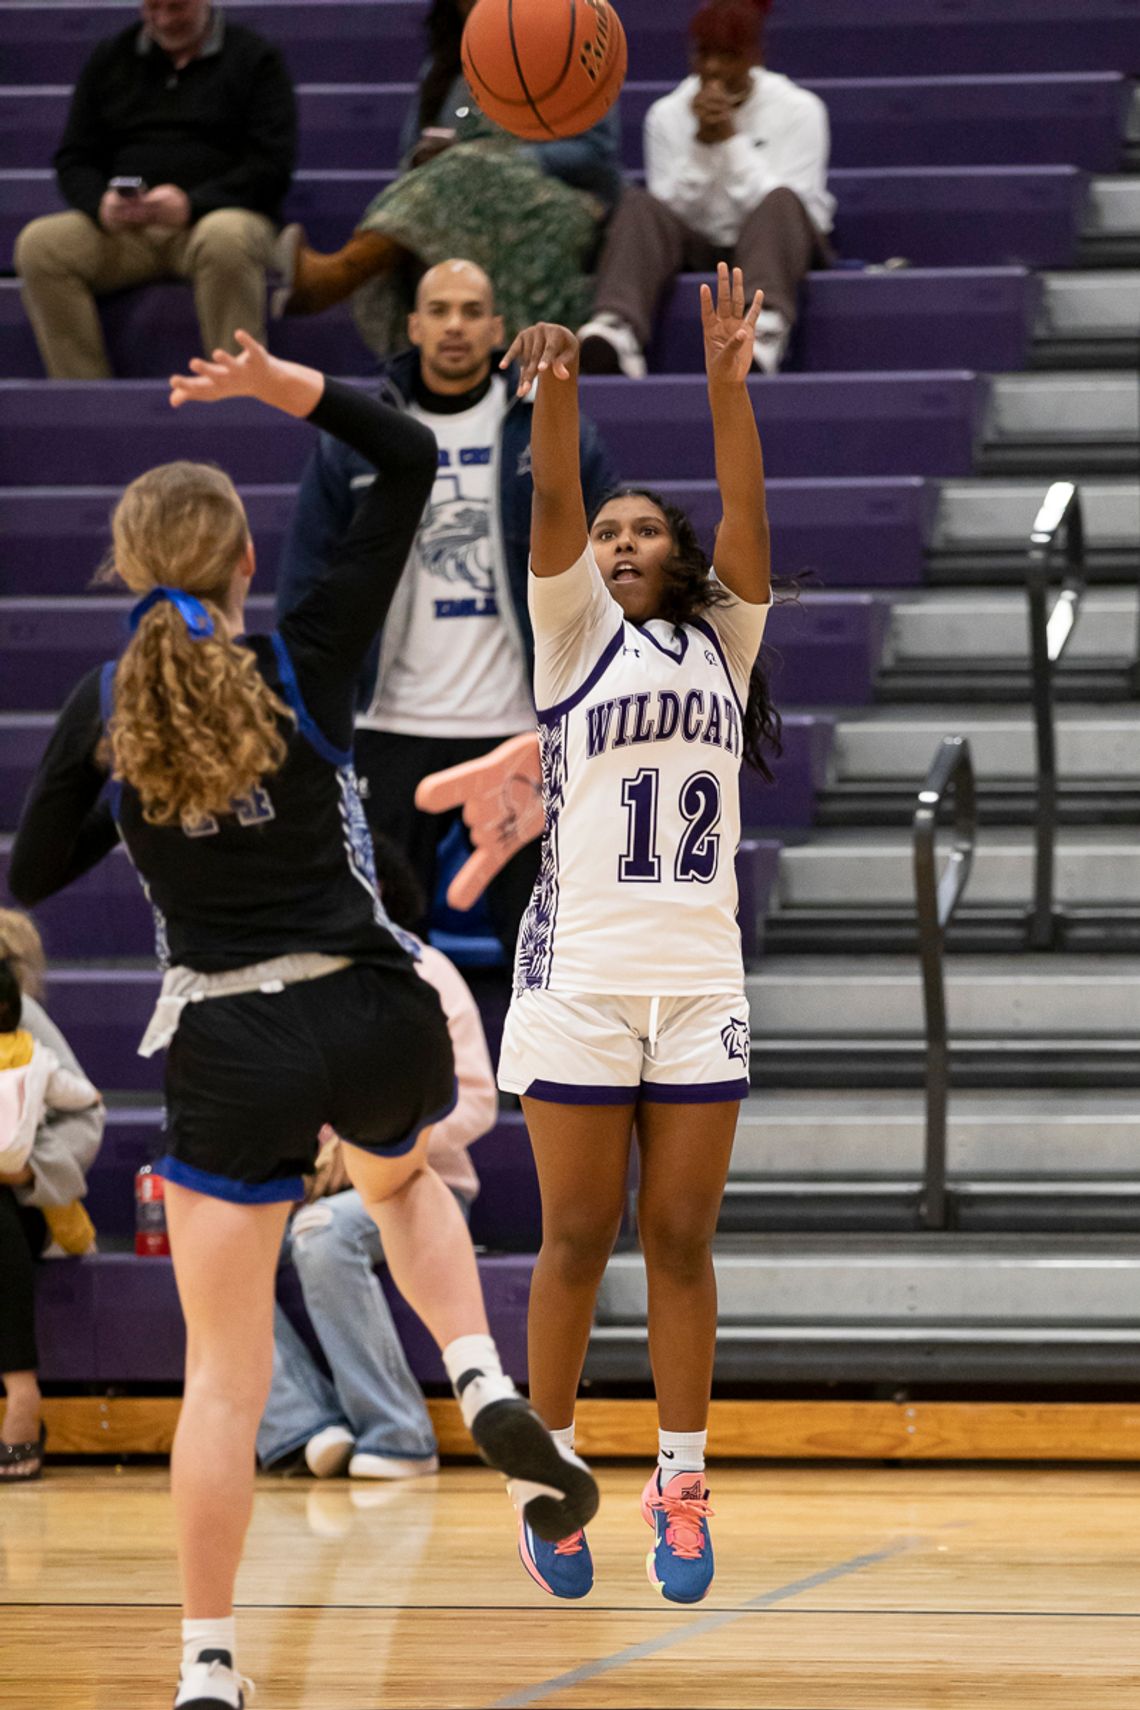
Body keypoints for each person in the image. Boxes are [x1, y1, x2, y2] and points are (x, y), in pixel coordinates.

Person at [7, 333, 596, 1709]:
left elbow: (33, 871)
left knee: (224, 1379)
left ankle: (209, 1666)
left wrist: (136, 787)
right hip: (374, 1006)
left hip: (229, 1036)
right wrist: (282, 386)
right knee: (397, 1184)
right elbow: (403, 456)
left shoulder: (108, 704)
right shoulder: (303, 661)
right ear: (238, 563)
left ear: (123, 564)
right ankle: (473, 1369)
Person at [495, 265, 779, 1605]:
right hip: (585, 974)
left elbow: (748, 509)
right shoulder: (570, 637)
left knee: (679, 1239)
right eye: (604, 532)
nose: (613, 542)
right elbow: (552, 501)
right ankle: (551, 1470)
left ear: (681, 557)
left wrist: (728, 384)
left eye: (638, 531)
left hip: (698, 976)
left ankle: (680, 1477)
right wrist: (559, 388)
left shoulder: (729, 638)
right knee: (575, 1233)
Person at [277, 256, 618, 957]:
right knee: (377, 941)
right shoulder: (358, 433)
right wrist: (309, 703)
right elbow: (308, 576)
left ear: (496, 327)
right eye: (439, 310)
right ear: (413, 325)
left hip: (520, 722)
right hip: (388, 720)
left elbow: (612, 554)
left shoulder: (543, 426)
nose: (455, 326)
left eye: (471, 311)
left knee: (546, 943)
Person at [257, 835, 496, 1482]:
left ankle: (398, 1434)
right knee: (219, 1249)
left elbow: (477, 1102)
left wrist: (372, 1140)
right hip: (317, 1188)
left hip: (424, 1186)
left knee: (321, 1234)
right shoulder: (291, 976)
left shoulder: (427, 971)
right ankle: (305, 1424)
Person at [271, 0, 621, 356]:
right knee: (448, 187)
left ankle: (339, 273)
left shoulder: (566, 43)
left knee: (465, 169)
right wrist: (426, 156)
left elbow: (596, 149)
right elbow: (409, 155)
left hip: (558, 203)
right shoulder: (442, 66)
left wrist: (506, 161)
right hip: (460, 203)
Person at [14, 0, 296, 379]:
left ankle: (237, 389)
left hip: (218, 220)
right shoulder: (110, 57)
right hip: (128, 232)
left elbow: (272, 165)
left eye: (176, 7)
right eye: (152, 8)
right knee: (40, 244)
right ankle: (85, 396)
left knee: (226, 238)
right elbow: (75, 157)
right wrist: (101, 204)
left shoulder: (255, 58)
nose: (164, 20)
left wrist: (192, 204)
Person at [578, 0, 834, 378]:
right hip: (697, 241)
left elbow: (803, 210)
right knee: (638, 203)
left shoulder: (799, 110)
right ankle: (617, 329)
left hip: (775, 247)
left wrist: (730, 143)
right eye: (703, 55)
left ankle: (757, 334)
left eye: (727, 56)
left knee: (782, 201)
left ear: (754, 56)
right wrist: (700, 146)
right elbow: (669, 209)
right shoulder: (667, 114)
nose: (713, 68)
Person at [0, 912, 106, 1483]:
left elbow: (88, 1110)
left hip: (21, 1202)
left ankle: (21, 1398)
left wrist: (26, 1171)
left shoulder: (19, 1016)